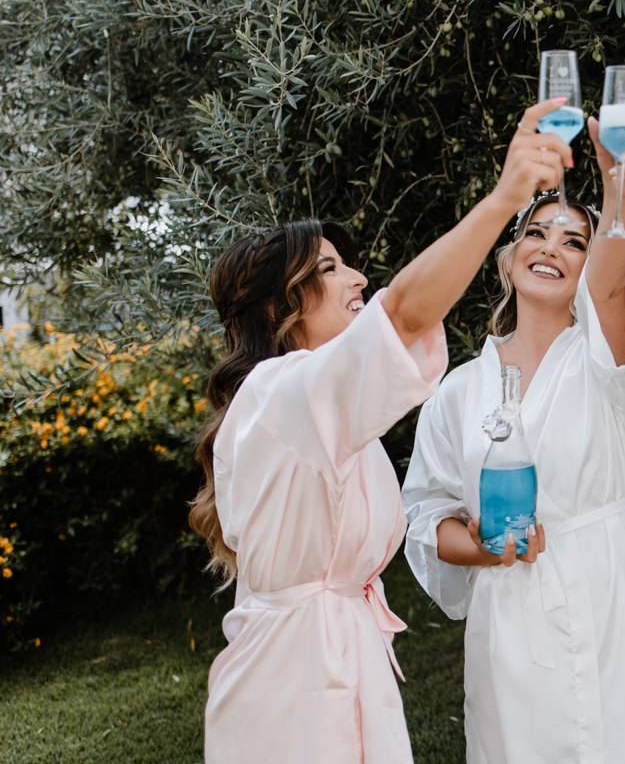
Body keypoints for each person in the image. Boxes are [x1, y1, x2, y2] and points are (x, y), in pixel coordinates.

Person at [189, 97, 576, 764]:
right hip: (290, 693)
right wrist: (506, 196)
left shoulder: (329, 412)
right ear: (285, 306)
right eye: (330, 268)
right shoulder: (279, 395)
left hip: (350, 662)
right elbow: (402, 314)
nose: (358, 275)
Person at [401, 111, 625, 764]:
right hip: (510, 618)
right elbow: (428, 513)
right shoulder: (458, 392)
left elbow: (613, 281)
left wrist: (621, 194)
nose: (550, 248)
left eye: (573, 241)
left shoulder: (606, 360)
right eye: (536, 233)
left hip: (613, 596)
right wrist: (484, 550)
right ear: (509, 258)